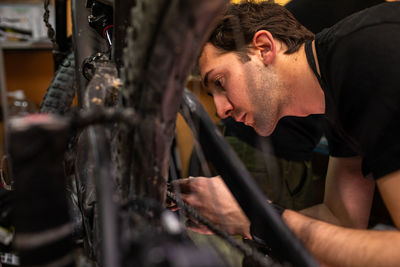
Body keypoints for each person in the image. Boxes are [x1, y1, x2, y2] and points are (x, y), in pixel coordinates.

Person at [173, 1, 400, 266]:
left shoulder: (366, 59)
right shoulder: (335, 90)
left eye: (221, 82)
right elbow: (340, 219)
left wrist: (257, 216)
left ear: (264, 48)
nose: (221, 110)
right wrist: (247, 212)